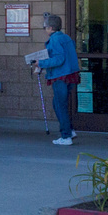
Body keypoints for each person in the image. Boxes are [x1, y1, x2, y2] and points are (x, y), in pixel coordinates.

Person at [28, 13, 79, 145]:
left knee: (59, 105)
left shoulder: (54, 40)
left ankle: (66, 135)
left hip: (60, 76)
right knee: (60, 104)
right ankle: (69, 130)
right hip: (70, 75)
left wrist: (41, 64)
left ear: (50, 28)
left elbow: (58, 59)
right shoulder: (65, 37)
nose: (45, 30)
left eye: (45, 27)